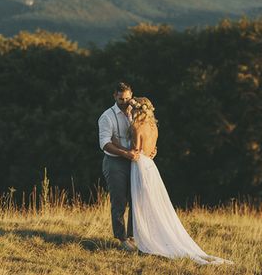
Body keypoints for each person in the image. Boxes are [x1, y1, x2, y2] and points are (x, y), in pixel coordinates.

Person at [124, 96, 234, 265]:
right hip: (151, 166)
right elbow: (152, 149)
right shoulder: (153, 127)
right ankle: (153, 235)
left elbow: (136, 150)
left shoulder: (137, 126)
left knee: (142, 203)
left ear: (137, 110)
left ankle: (147, 239)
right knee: (152, 202)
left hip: (139, 165)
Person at [97, 82, 156, 252]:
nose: (125, 102)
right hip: (115, 162)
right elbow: (105, 143)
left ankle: (132, 236)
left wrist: (150, 150)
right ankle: (121, 238)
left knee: (135, 199)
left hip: (135, 162)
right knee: (119, 201)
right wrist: (125, 153)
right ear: (114, 96)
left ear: (132, 96)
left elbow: (145, 133)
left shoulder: (136, 113)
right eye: (121, 98)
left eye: (128, 98)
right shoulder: (106, 117)